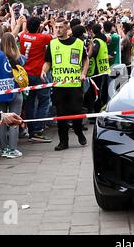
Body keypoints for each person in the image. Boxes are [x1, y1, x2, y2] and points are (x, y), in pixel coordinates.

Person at [41, 18, 89, 151]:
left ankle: (79, 132)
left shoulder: (78, 43)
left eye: (60, 27)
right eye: (56, 27)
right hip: (59, 85)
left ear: (67, 29)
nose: (57, 29)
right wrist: (43, 71)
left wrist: (84, 73)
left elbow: (86, 60)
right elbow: (48, 62)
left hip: (74, 85)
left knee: (76, 112)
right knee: (61, 115)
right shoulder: (52, 43)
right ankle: (63, 142)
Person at [19, 16, 54, 143]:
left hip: (26, 74)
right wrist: (52, 25)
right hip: (41, 74)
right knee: (44, 101)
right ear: (38, 26)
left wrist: (40, 25)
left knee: (30, 103)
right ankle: (38, 131)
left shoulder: (23, 36)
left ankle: (31, 130)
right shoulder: (43, 37)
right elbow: (53, 37)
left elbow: (27, 33)